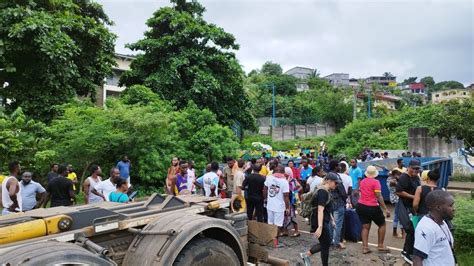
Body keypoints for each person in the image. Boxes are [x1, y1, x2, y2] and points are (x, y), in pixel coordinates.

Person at [300, 173, 338, 266]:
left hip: (322, 220)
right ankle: (307, 255)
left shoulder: (325, 190)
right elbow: (320, 209)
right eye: (335, 183)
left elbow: (326, 208)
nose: (336, 185)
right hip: (319, 221)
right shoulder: (323, 192)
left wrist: (332, 220)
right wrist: (320, 227)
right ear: (329, 181)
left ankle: (306, 255)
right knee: (326, 244)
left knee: (326, 243)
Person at [413, 190, 455, 266]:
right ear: (438, 207)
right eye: (450, 205)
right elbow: (417, 259)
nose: (453, 209)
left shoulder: (442, 222)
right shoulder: (426, 228)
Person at [356, 165, 391, 254]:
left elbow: (360, 193)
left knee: (365, 227)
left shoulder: (362, 181)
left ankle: (365, 247)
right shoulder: (376, 182)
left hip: (361, 205)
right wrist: (385, 209)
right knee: (382, 224)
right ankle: (380, 246)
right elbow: (379, 196)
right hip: (372, 206)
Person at [396, 159, 422, 264]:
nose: (416, 170)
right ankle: (407, 253)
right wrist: (414, 197)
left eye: (417, 169)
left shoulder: (416, 177)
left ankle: (406, 250)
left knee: (413, 229)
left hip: (413, 207)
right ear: (409, 168)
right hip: (405, 206)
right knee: (410, 229)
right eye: (414, 168)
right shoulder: (404, 177)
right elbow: (398, 191)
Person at [263, 166, 290, 248]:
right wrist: (287, 207)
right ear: (283, 172)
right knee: (277, 225)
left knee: (270, 223)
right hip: (279, 207)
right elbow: (286, 196)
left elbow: (264, 189)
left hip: (270, 205)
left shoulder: (269, 178)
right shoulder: (284, 182)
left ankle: (270, 240)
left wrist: (265, 199)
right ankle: (275, 243)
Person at [327, 160, 347, 249]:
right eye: (338, 166)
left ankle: (330, 241)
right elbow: (342, 191)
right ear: (335, 167)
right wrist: (345, 200)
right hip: (338, 202)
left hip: (329, 202)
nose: (340, 167)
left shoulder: (327, 176)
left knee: (330, 223)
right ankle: (337, 242)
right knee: (338, 224)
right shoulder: (336, 177)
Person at [282, 166, 301, 237]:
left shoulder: (293, 180)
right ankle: (285, 230)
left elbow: (300, 187)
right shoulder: (283, 180)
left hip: (291, 201)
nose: (284, 174)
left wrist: (295, 192)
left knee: (292, 216)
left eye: (285, 173)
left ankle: (296, 230)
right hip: (285, 200)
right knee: (285, 216)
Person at [387, 169, 404, 238]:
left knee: (397, 215)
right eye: (398, 174)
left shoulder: (389, 179)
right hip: (396, 199)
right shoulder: (392, 181)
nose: (400, 176)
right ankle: (402, 232)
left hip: (394, 199)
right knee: (399, 215)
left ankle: (396, 232)